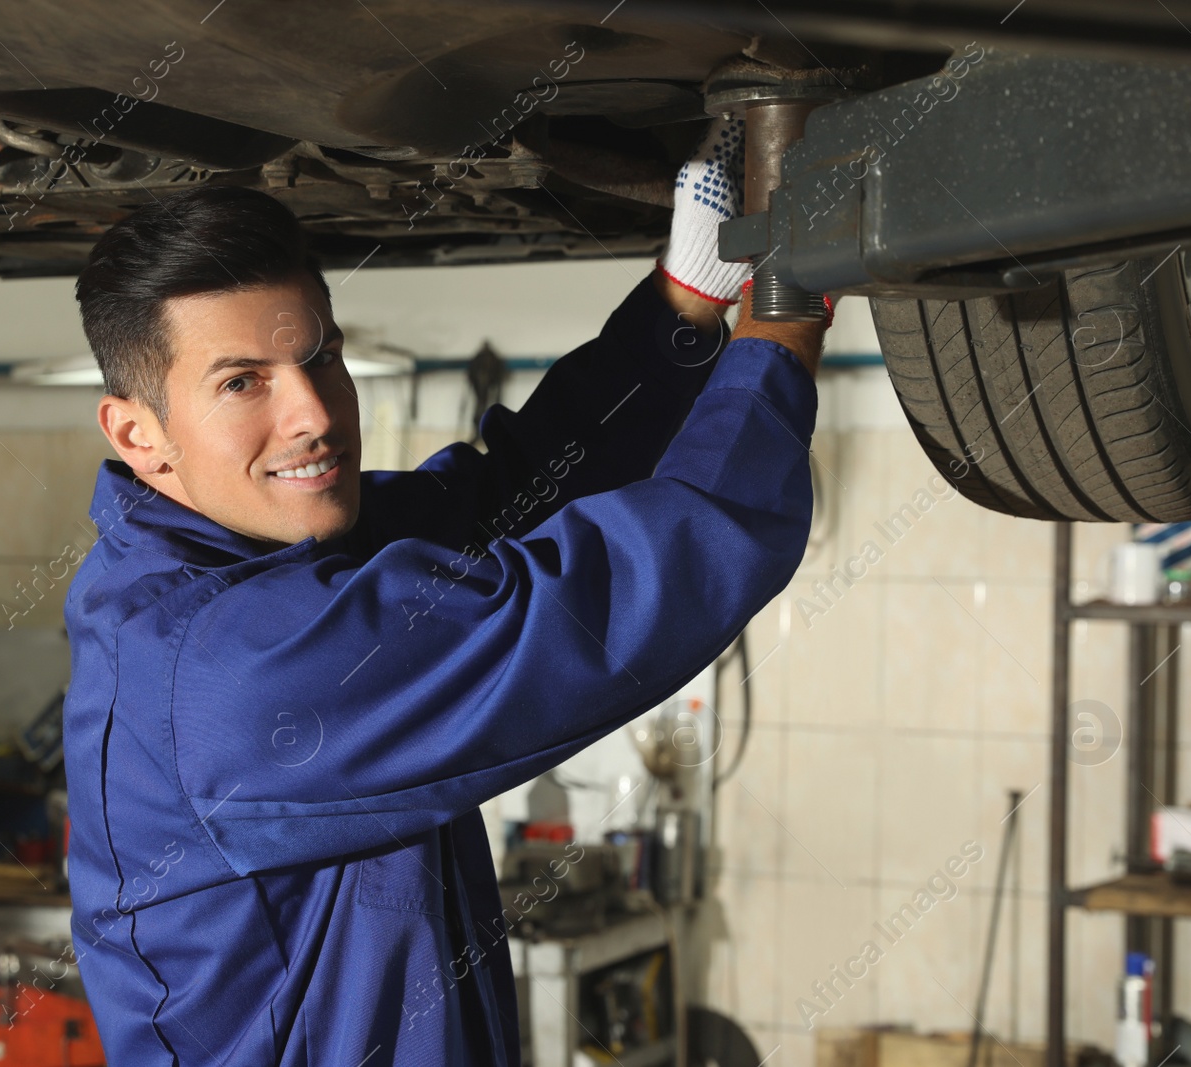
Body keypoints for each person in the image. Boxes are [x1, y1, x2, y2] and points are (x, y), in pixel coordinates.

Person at [62, 115, 826, 1065]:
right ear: (138, 434)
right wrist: (786, 319)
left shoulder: (267, 561)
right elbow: (588, 605)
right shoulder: (228, 669)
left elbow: (509, 497)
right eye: (242, 382)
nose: (313, 415)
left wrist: (687, 304)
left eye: (321, 358)